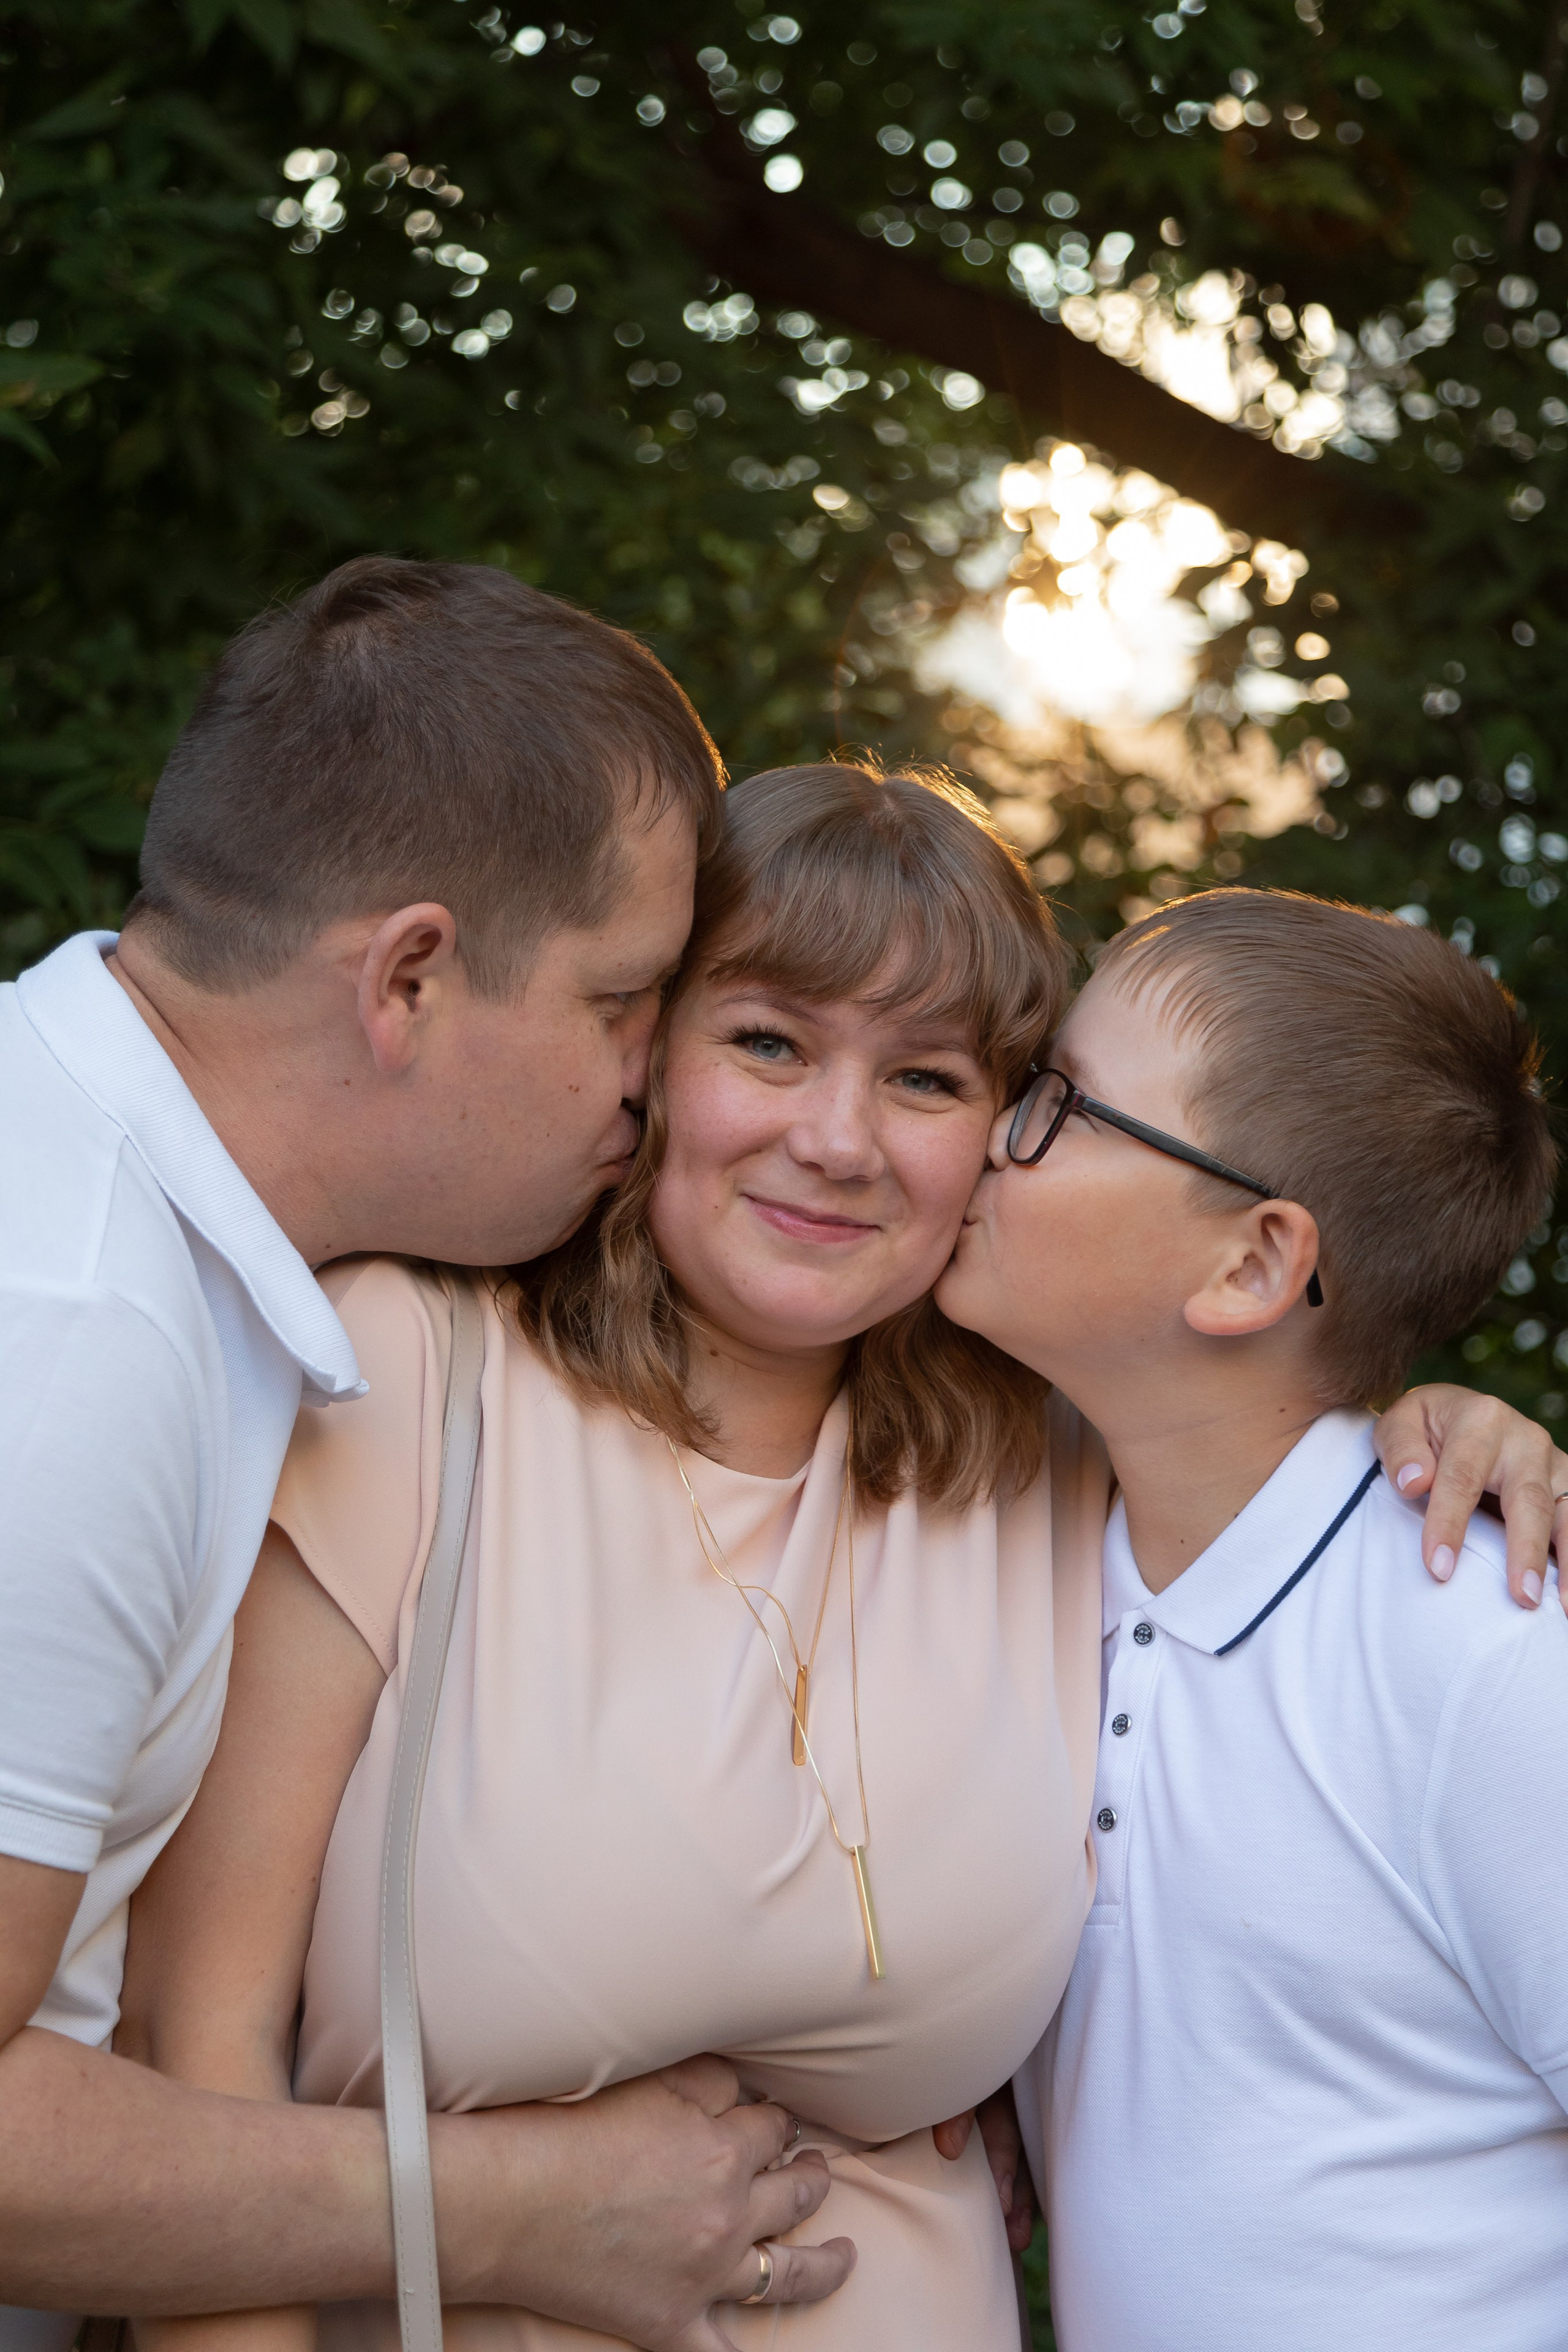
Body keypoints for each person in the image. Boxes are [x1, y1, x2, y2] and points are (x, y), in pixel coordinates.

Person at [124, 774, 1564, 2352]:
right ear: (646, 1052)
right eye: (766, 1042)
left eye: (951, 1083)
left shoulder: (1055, 1475)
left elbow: (1274, 1461)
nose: (837, 1140)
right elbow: (198, 2041)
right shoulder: (405, 1375)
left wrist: (1429, 1430)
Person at [0, 559, 854, 2352]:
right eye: (624, 1005)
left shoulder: (99, 1205)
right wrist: (535, 2210)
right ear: (408, 979)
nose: (650, 1086)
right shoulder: (70, 1337)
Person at [936, 887, 1568, 2351]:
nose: (980, 1128)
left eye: (1052, 1101)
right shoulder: (1008, 1564)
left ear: (1247, 1267)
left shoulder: (1485, 1657)